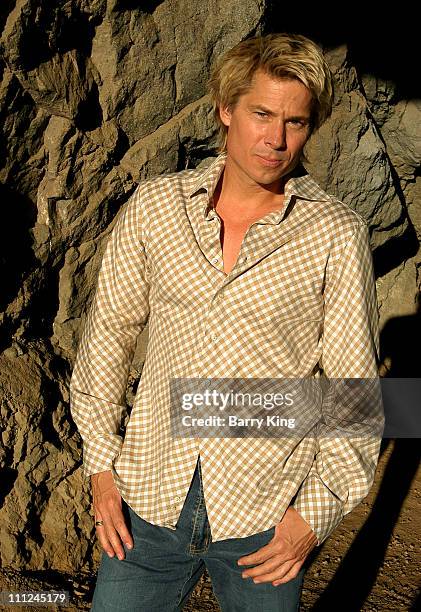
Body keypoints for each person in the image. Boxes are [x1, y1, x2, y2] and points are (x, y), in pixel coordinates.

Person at [70, 33, 383, 611]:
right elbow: (108, 335)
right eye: (261, 113)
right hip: (146, 501)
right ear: (225, 109)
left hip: (264, 515)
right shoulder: (156, 206)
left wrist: (311, 516)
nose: (275, 138)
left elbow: (353, 394)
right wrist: (101, 469)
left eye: (295, 121)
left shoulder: (336, 234)